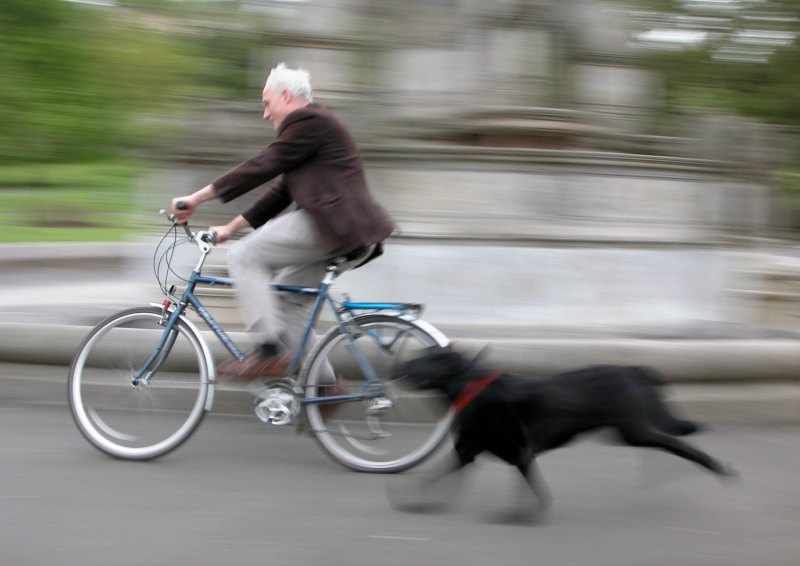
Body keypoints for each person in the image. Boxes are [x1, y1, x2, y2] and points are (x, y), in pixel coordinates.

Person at [170, 63, 394, 380]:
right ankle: (325, 388)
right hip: (349, 233)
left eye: (266, 103)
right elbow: (281, 193)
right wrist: (230, 229)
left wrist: (196, 198)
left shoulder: (309, 121)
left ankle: (266, 351)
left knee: (244, 256)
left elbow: (263, 165)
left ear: (286, 96)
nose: (265, 113)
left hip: (332, 225)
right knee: (286, 304)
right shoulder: (315, 129)